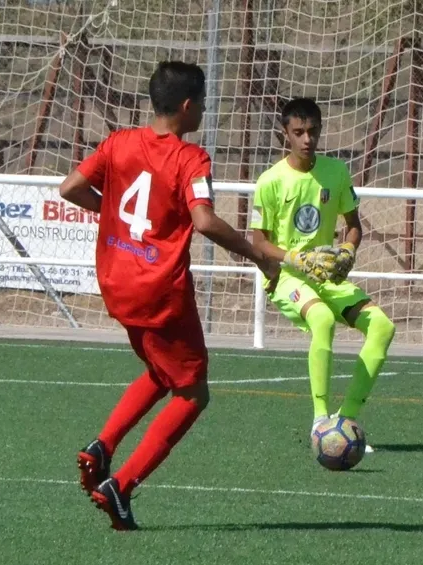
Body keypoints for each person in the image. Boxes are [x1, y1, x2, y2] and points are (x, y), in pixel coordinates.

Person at [59, 60, 280, 530]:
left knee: (162, 371)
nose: (204, 110)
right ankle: (120, 486)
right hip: (160, 292)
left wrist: (113, 216)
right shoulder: (189, 158)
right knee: (193, 394)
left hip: (117, 283)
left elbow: (71, 187)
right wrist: (257, 255)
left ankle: (101, 447)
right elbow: (204, 220)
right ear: (186, 106)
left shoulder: (118, 142)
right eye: (202, 103)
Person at [250, 98, 395, 451]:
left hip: (326, 276)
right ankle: (320, 420)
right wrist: (295, 259)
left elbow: (354, 226)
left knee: (382, 327)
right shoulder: (270, 180)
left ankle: (345, 422)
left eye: (312, 131)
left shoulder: (336, 172)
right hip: (288, 276)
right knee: (322, 319)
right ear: (285, 133)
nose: (307, 139)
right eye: (298, 132)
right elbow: (259, 242)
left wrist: (347, 250)